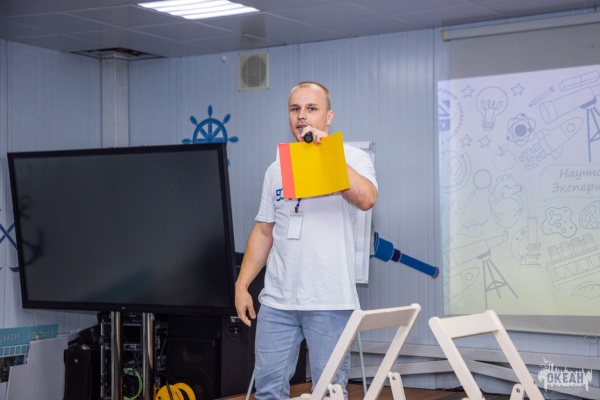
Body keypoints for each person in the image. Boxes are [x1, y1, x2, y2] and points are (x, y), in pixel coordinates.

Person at [235, 81, 378, 399]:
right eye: (295, 109)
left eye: (311, 108)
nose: (302, 116)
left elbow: (367, 198)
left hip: (329, 300)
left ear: (329, 116)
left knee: (329, 392)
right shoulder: (276, 169)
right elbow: (264, 230)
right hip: (278, 302)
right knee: (268, 390)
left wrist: (326, 153)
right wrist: (242, 284)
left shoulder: (351, 158)